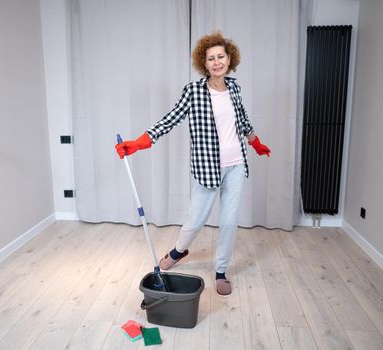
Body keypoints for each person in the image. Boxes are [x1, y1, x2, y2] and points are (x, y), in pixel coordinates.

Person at [115, 32, 270, 296]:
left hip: (235, 166)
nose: (217, 62)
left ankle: (221, 271)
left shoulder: (235, 88)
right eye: (211, 58)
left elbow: (242, 121)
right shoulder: (194, 92)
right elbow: (169, 119)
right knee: (195, 220)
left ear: (229, 59)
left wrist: (255, 143)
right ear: (204, 63)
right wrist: (139, 142)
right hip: (207, 169)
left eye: (221, 56)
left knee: (230, 221)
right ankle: (178, 251)